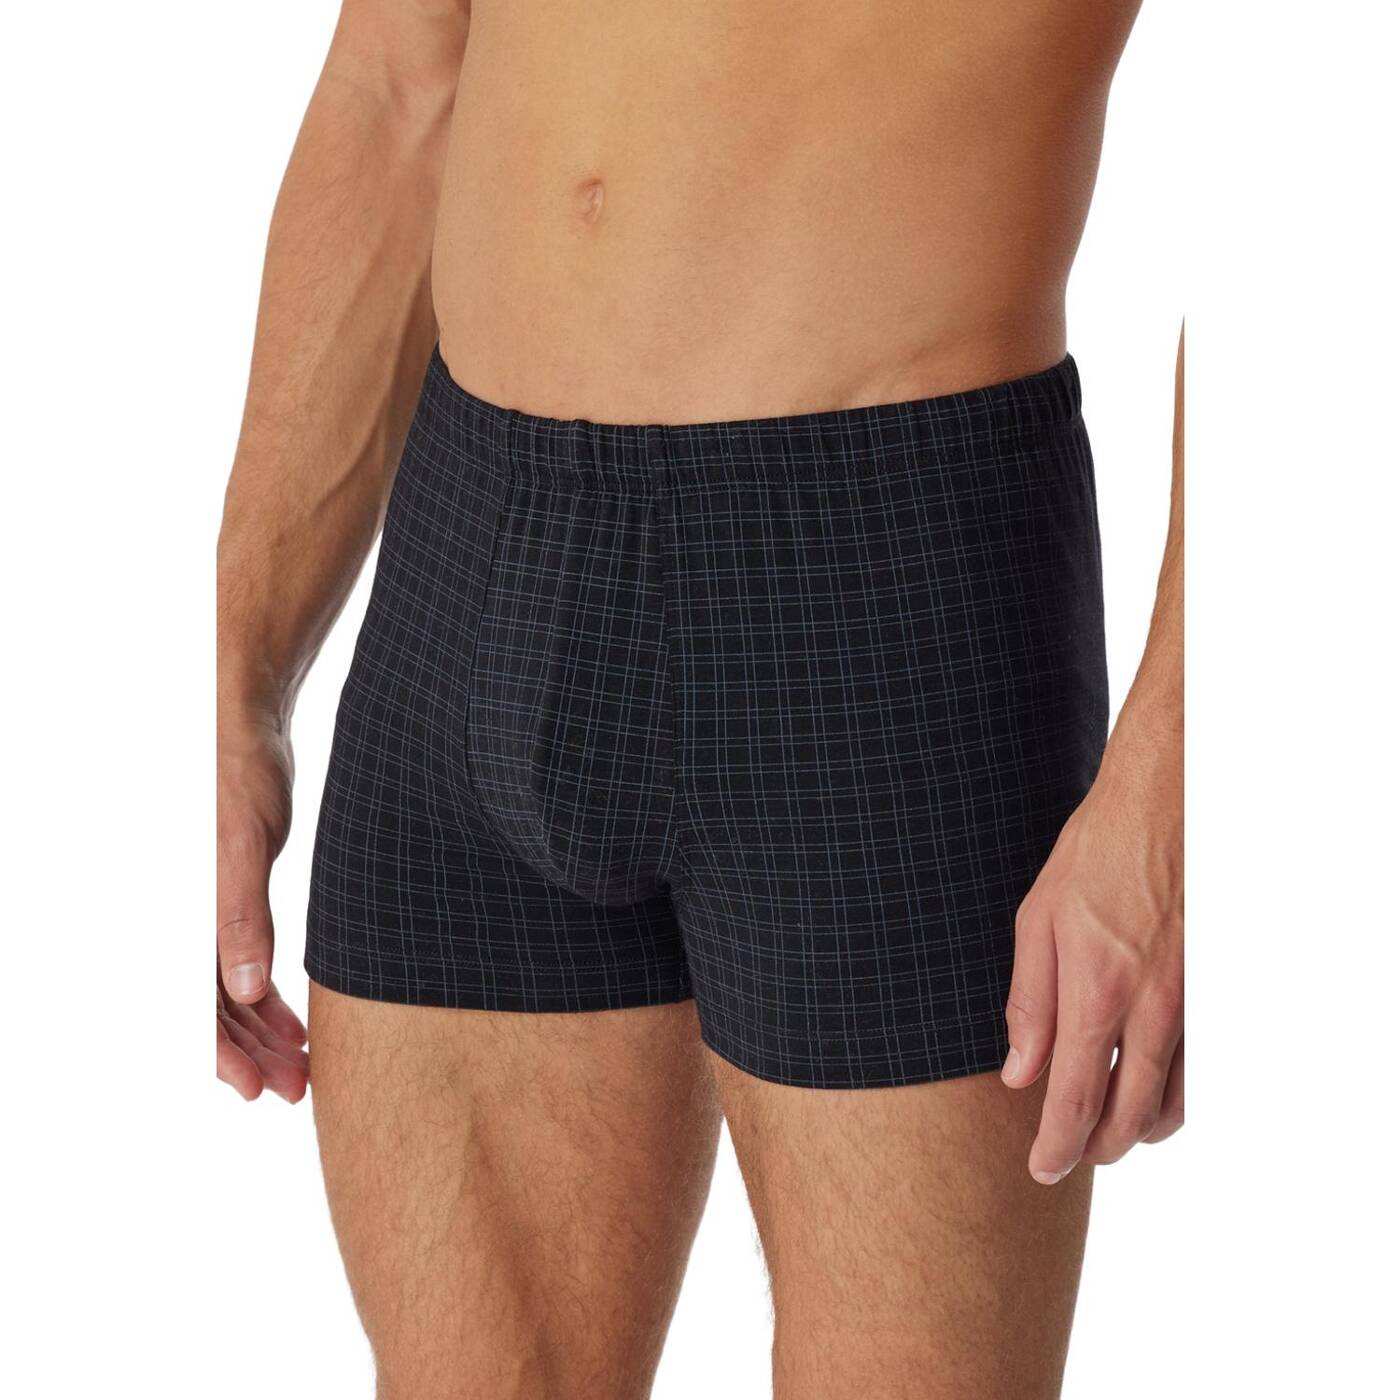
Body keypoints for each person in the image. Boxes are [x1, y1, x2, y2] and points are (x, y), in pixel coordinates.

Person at [216, 0, 1183, 1394]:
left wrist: (1174, 790)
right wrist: (232, 674)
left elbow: (1337, 165)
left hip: (880, 598)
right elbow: (400, 81)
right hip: (469, 570)